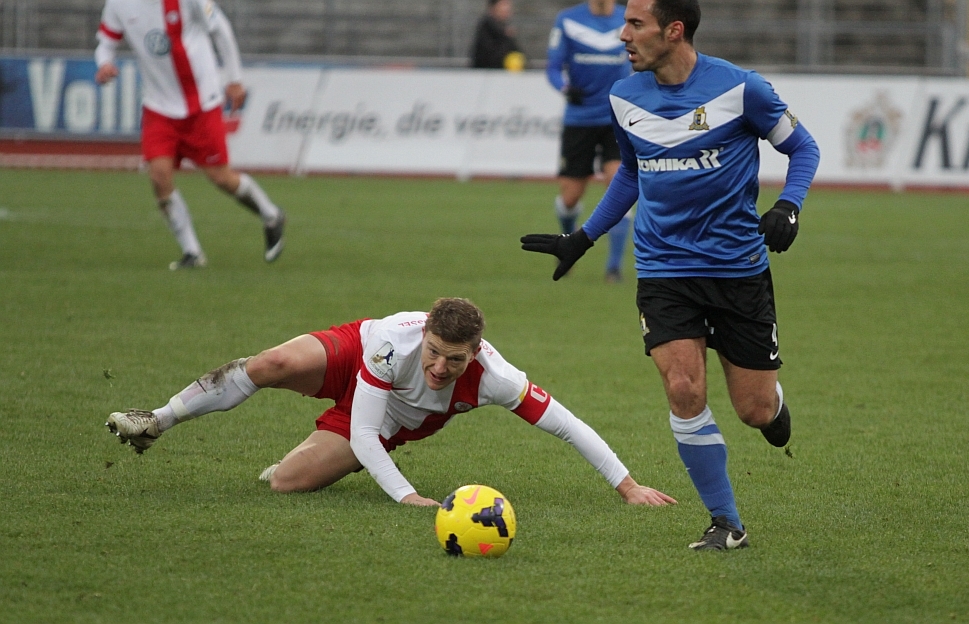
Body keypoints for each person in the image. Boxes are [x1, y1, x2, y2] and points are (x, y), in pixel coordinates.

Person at [521, 0, 820, 550]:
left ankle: (773, 408)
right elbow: (632, 173)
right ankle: (726, 522)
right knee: (683, 388)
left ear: (673, 30)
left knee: (753, 409)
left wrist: (789, 206)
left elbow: (802, 147)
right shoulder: (623, 96)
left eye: (636, 24)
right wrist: (583, 238)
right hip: (663, 269)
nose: (623, 35)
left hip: (737, 269)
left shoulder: (743, 88)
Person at [106, 298, 677, 508]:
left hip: (391, 420)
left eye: (454, 360)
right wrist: (407, 496)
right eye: (434, 353)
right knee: (272, 364)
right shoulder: (390, 343)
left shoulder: (495, 377)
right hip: (356, 357)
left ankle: (300, 457)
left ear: (475, 353)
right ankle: (159, 418)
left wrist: (627, 487)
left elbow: (566, 424)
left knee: (285, 484)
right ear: (424, 334)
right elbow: (363, 430)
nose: (440, 368)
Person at [95, 0, 286, 270]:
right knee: (159, 177)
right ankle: (192, 252)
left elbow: (221, 28)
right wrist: (104, 63)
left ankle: (271, 215)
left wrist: (235, 79)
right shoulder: (119, 4)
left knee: (221, 177)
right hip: (158, 106)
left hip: (201, 105)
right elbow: (106, 42)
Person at [547, 0, 633, 283]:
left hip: (616, 118)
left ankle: (613, 268)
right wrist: (565, 88)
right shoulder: (568, 20)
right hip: (579, 120)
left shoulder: (628, 19)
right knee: (571, 196)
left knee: (619, 186)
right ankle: (567, 248)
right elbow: (553, 67)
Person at [470, 0, 525, 70]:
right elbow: (489, 58)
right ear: (492, 8)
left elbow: (519, 54)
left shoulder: (503, 29)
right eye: (504, 5)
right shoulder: (486, 28)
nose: (507, 8)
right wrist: (506, 38)